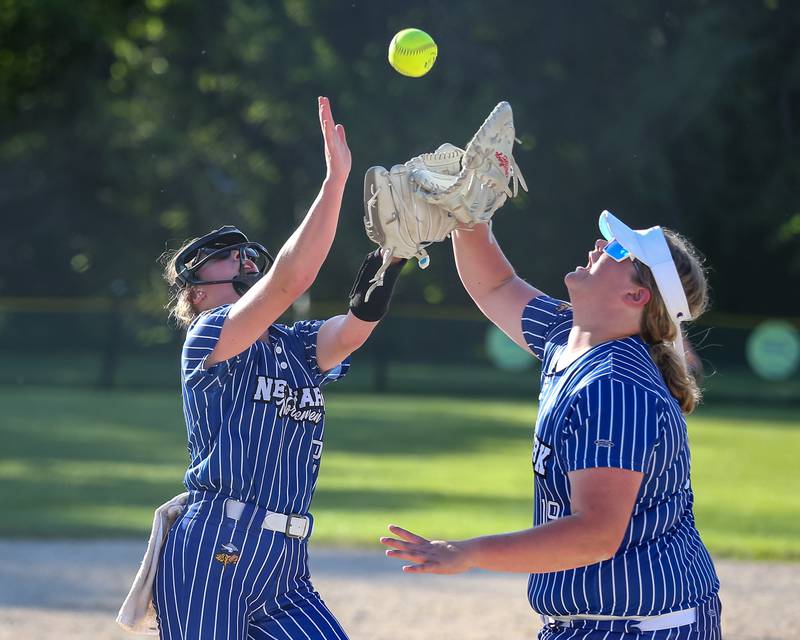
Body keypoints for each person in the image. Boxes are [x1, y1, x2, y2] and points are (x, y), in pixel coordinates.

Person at [381, 210, 722, 639]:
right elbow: (496, 285)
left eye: (616, 250)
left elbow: (596, 532)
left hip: (640, 629)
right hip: (593, 624)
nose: (599, 247)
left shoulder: (615, 386)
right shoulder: (570, 337)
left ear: (637, 297)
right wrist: (467, 213)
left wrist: (469, 552)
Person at [154, 96, 405, 640]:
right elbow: (291, 279)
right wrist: (335, 181)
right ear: (197, 295)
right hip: (215, 551)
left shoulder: (292, 345)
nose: (244, 260)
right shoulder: (209, 336)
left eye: (245, 253)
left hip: (285, 561)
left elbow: (355, 327)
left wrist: (395, 253)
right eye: (226, 259)